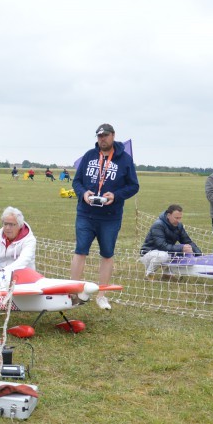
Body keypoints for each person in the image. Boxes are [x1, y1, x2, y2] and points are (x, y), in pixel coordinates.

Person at [70, 123, 140, 310]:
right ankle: (72, 291)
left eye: (106, 136)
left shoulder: (125, 159)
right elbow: (76, 182)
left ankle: (102, 295)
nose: (102, 139)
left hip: (110, 216)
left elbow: (134, 186)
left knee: (107, 253)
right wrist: (83, 193)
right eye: (100, 136)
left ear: (113, 136)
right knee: (80, 250)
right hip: (86, 213)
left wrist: (115, 196)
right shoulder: (89, 156)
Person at [139, 204, 201, 277]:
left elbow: (187, 241)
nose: (178, 220)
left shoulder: (179, 226)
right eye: (176, 218)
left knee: (186, 249)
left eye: (180, 218)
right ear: (168, 215)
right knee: (164, 255)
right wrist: (181, 248)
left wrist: (199, 255)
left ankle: (167, 274)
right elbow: (161, 245)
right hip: (149, 253)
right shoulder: (158, 225)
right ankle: (149, 274)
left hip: (166, 252)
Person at [0, 206, 36, 277]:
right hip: (0, 268)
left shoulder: (29, 240)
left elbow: (23, 261)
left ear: (20, 225)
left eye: (11, 225)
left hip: (21, 273)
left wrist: (4, 272)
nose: (7, 228)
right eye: (5, 224)